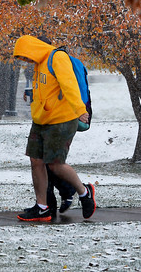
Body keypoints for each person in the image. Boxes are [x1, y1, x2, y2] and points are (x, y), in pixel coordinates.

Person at [13, 34, 96, 221]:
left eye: (25, 56)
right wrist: (32, 93)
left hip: (62, 120)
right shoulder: (39, 64)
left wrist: (80, 109)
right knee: (36, 161)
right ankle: (42, 207)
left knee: (55, 165)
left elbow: (69, 85)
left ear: (32, 48)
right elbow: (48, 88)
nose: (25, 60)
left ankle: (84, 192)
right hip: (42, 120)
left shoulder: (57, 57)